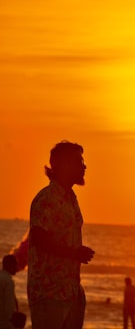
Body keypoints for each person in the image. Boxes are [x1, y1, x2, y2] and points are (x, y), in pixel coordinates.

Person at [27, 141, 95, 329]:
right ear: (63, 164)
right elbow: (39, 239)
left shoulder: (70, 198)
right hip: (50, 293)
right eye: (79, 161)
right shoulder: (47, 198)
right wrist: (74, 253)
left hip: (70, 293)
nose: (84, 166)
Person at [0, 254, 18, 329]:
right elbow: (9, 307)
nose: (17, 268)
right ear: (10, 265)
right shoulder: (8, 282)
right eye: (15, 265)